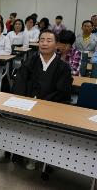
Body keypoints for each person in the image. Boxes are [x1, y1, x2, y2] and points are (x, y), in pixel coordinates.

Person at [12, 30, 73, 170]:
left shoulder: (63, 67)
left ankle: (38, 156)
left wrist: (40, 103)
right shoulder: (30, 61)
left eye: (49, 40)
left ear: (57, 45)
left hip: (49, 109)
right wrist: (24, 100)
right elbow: (20, 81)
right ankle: (19, 151)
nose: (44, 43)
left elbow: (62, 92)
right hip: (27, 105)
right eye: (42, 40)